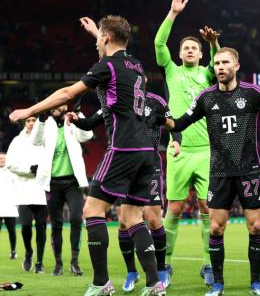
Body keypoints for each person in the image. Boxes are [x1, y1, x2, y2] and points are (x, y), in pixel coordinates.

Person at [10, 15, 165, 296]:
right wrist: (97, 32)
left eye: (99, 39)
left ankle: (101, 282)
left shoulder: (107, 65)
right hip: (146, 151)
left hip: (123, 147)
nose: (96, 44)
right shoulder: (136, 65)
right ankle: (155, 284)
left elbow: (69, 92)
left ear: (106, 38)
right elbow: (113, 52)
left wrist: (29, 110)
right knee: (132, 216)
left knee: (92, 211)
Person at [158, 47, 260, 296]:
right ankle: (218, 283)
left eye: (225, 63)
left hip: (248, 171)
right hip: (219, 173)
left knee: (255, 227)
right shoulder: (205, 97)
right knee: (216, 228)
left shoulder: (253, 93)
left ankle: (256, 283)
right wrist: (162, 118)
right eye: (217, 63)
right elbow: (179, 123)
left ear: (236, 66)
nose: (220, 67)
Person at [67, 90, 173, 291]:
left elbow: (173, 124)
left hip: (142, 161)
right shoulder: (115, 100)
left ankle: (160, 270)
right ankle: (135, 273)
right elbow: (91, 121)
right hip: (129, 162)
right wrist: (77, 119)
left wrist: (175, 140)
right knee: (126, 221)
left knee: (152, 218)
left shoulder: (155, 101)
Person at [154, 0, 220, 284]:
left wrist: (214, 42)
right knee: (175, 209)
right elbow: (158, 42)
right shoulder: (171, 71)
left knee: (208, 208)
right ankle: (165, 264)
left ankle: (208, 264)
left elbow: (222, 67)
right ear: (179, 54)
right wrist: (173, 13)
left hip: (206, 150)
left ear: (201, 53)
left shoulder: (208, 74)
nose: (191, 50)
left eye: (195, 47)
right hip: (178, 149)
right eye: (186, 48)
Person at [31, 105, 93, 276]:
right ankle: (58, 264)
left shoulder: (71, 121)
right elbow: (35, 141)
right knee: (56, 224)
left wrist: (79, 116)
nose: (59, 108)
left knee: (75, 219)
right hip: (53, 184)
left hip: (72, 182)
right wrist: (41, 120)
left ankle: (74, 262)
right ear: (50, 109)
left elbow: (87, 135)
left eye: (62, 106)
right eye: (55, 106)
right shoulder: (47, 123)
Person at [5, 116, 47, 273]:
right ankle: (29, 252)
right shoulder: (17, 141)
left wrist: (41, 170)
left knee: (42, 227)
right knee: (26, 226)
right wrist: (29, 170)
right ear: (24, 123)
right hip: (23, 190)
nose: (31, 123)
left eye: (33, 121)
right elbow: (10, 164)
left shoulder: (45, 139)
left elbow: (51, 160)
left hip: (42, 189)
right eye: (28, 121)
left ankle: (39, 262)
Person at [0, 151, 18, 260]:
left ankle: (13, 251)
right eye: (0, 158)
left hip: (10, 206)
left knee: (12, 230)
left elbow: (17, 188)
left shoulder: (12, 172)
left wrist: (17, 203)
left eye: (3, 158)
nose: (1, 160)